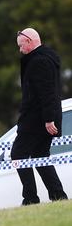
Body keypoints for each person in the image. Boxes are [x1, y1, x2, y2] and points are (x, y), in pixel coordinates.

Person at [12, 27, 68, 205]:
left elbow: (47, 92)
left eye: (21, 46)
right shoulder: (47, 57)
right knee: (40, 155)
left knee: (18, 154)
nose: (20, 50)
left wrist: (48, 119)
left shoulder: (39, 61)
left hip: (36, 119)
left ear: (29, 41)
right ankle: (58, 196)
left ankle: (30, 198)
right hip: (42, 117)